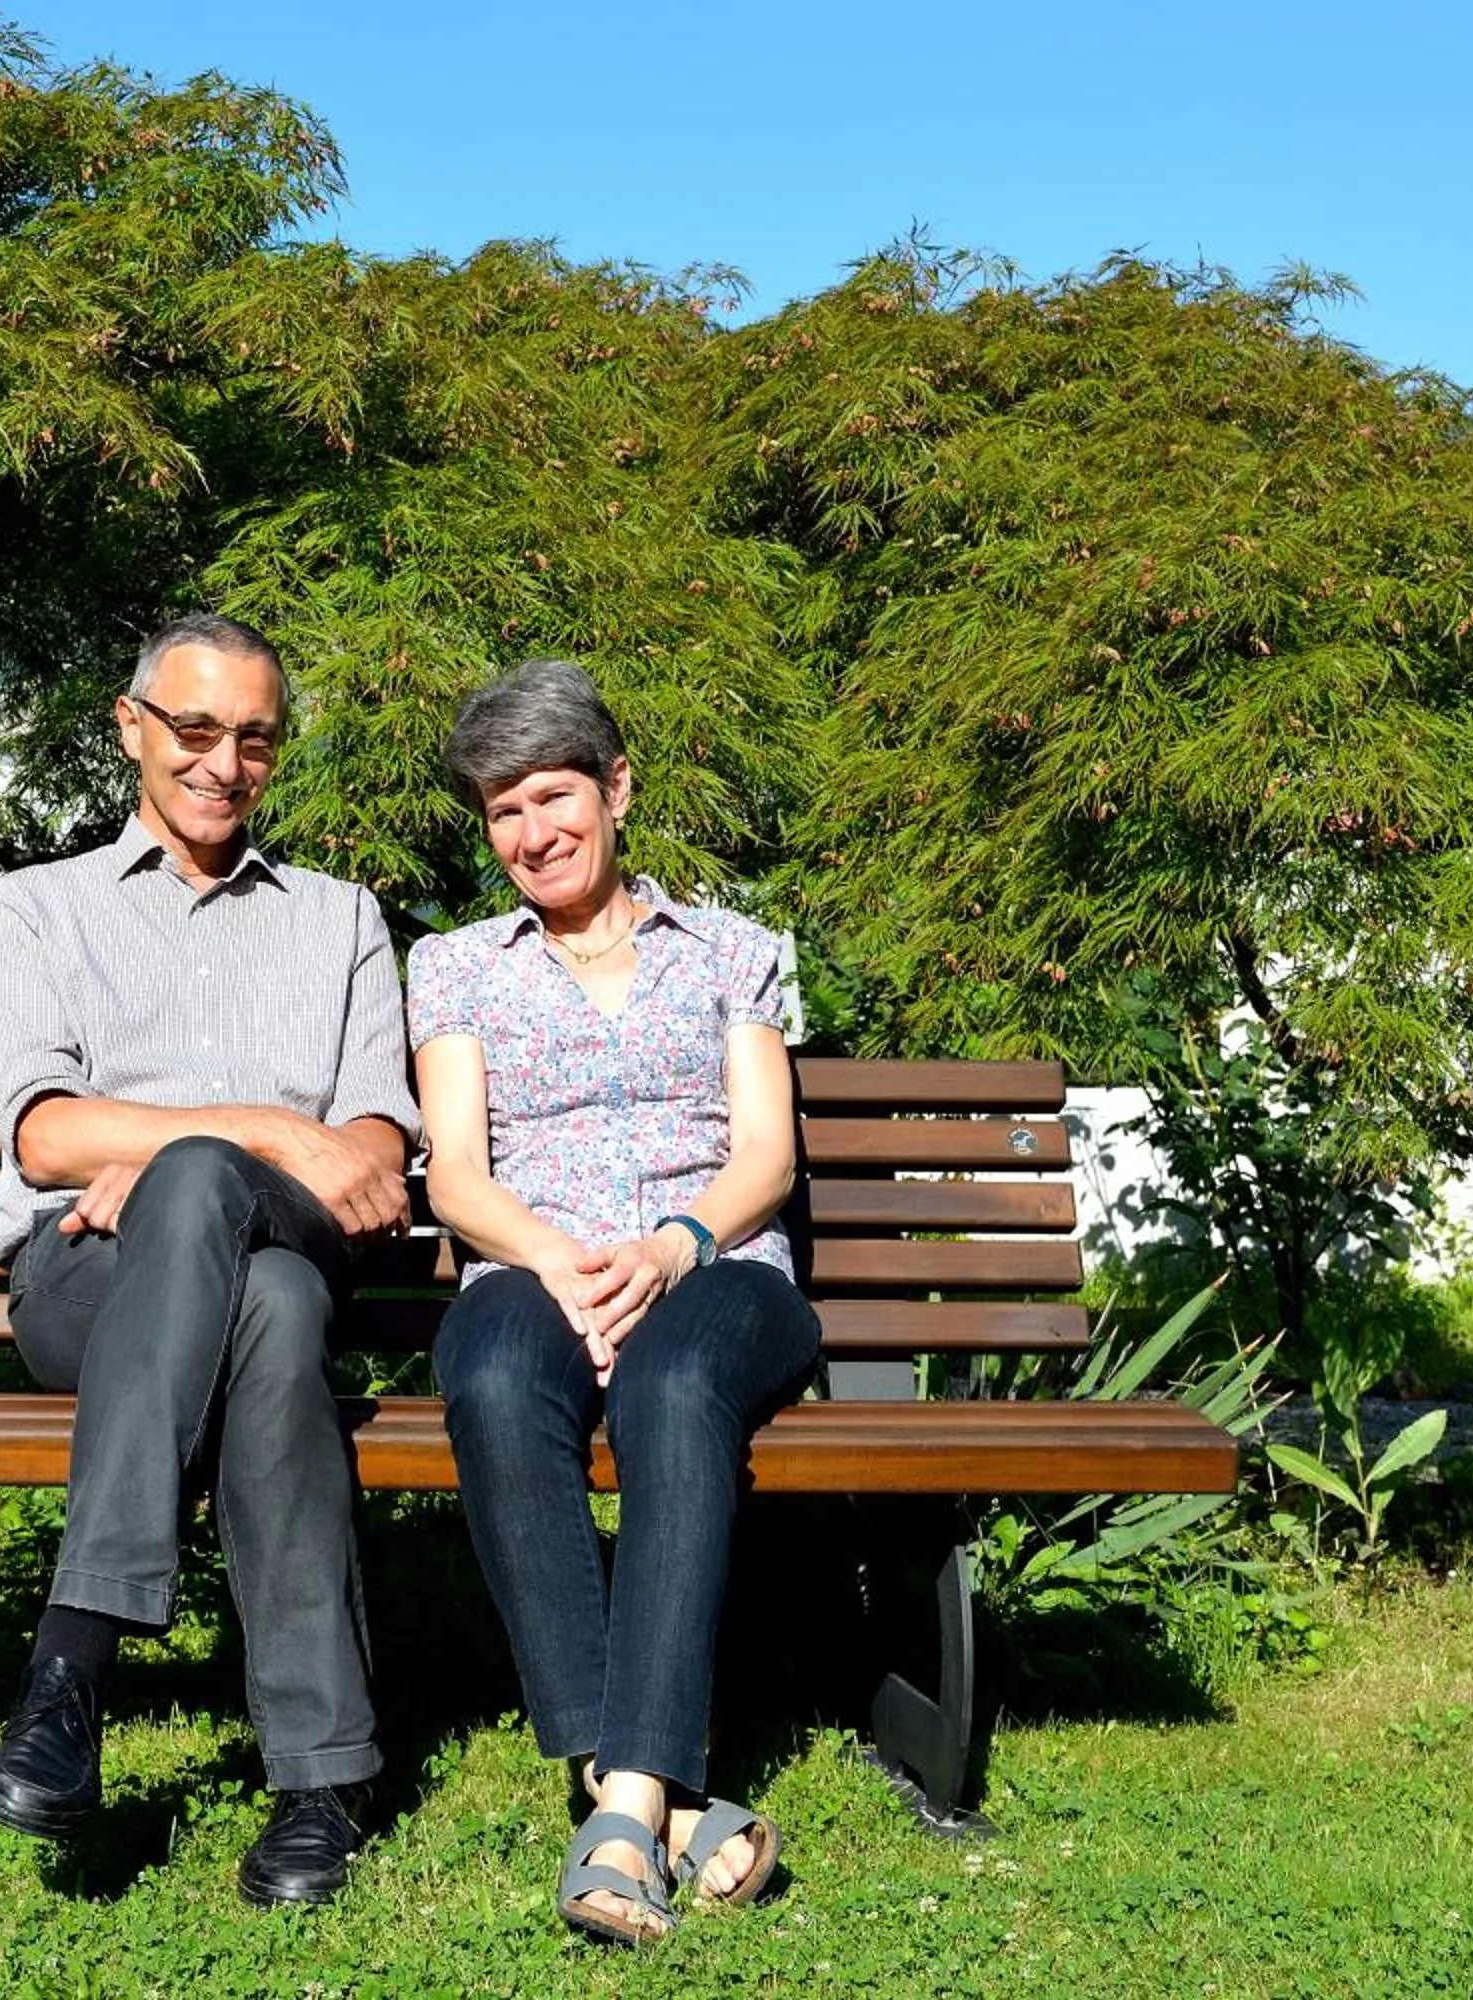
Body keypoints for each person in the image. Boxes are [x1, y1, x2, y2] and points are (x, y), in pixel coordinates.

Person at [0, 611, 420, 1907]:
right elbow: (49, 1133)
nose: (224, 764)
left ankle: (69, 1678)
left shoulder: (338, 921)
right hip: (85, 1284)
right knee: (262, 1289)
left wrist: (175, 1161)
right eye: (196, 729)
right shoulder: (38, 909)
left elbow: (378, 1147)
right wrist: (262, 1133)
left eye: (257, 740)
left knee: (238, 1231)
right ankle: (320, 1784)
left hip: (282, 1242)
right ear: (132, 729)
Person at [406, 659, 821, 1947]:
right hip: (530, 1264)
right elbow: (459, 1175)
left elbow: (767, 1156)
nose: (530, 834)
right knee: (485, 1380)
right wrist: (567, 1263)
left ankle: (626, 1797)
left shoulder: (737, 951)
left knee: (676, 1385)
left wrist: (671, 1247)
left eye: (551, 797)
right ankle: (654, 1798)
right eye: (501, 811)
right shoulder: (455, 966)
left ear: (617, 788)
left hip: (721, 1271)